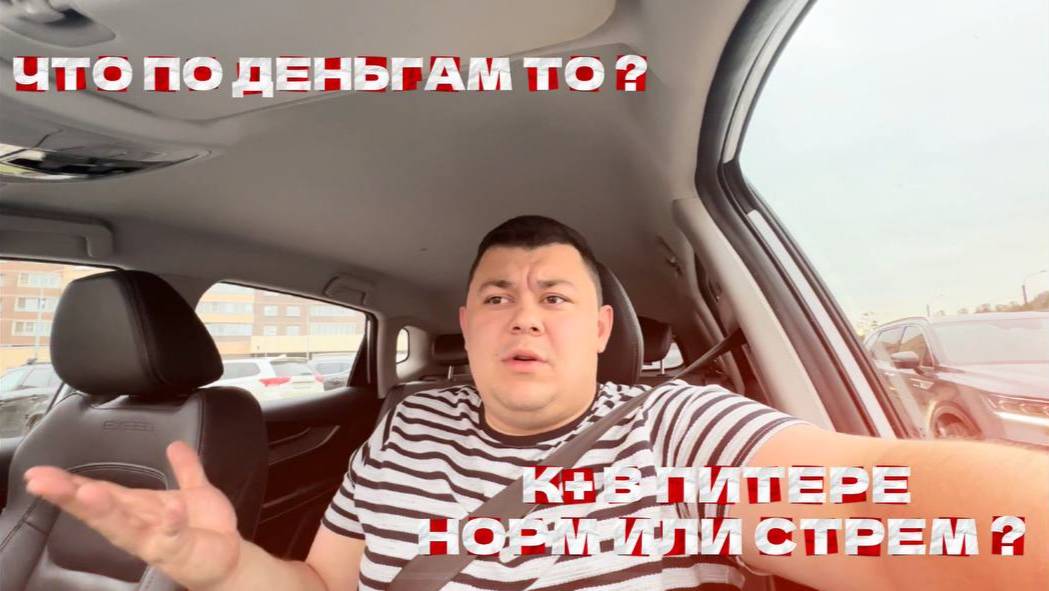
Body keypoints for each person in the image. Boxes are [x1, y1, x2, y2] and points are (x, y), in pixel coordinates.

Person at [22, 216, 1048, 590]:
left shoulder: (676, 430)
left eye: (554, 297)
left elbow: (885, 508)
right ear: (464, 326)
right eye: (497, 297)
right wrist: (228, 566)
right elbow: (325, 585)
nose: (524, 315)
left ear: (599, 329)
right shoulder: (405, 428)